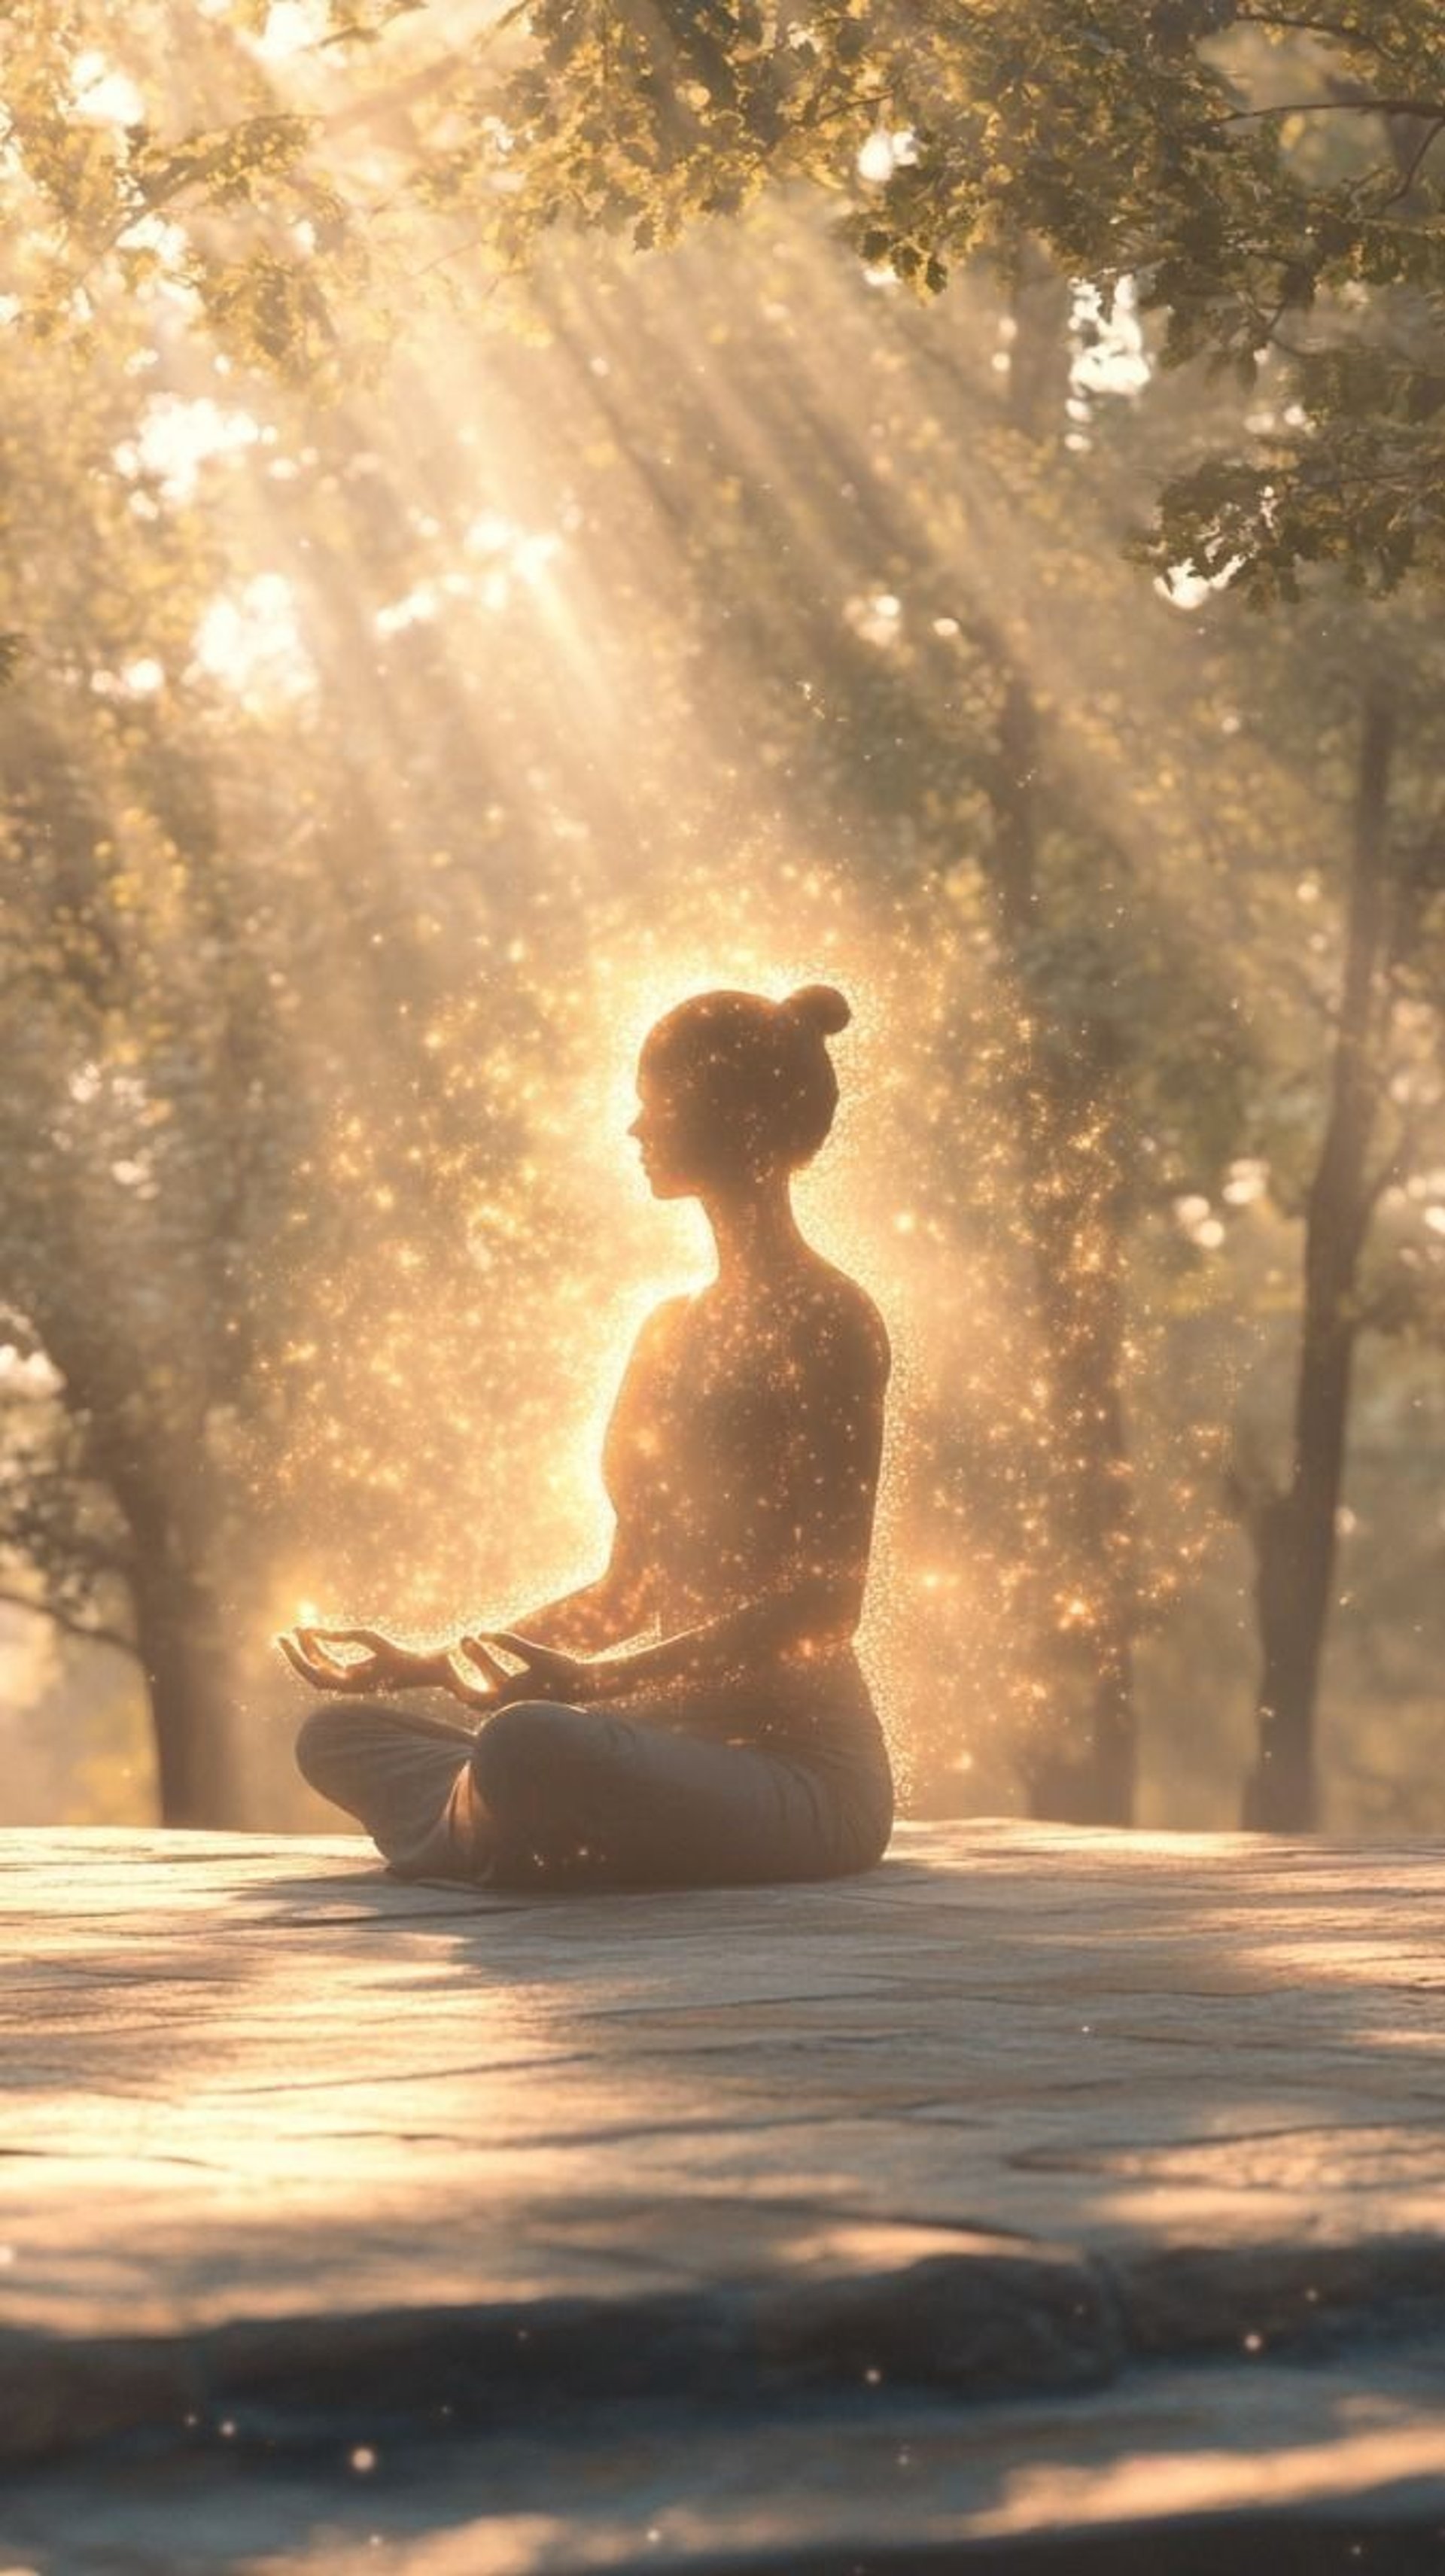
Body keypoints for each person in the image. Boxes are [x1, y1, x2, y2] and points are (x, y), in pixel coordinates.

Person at [281, 982, 894, 1890]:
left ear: (737, 1117)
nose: (635, 1128)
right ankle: (528, 1832)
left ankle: (511, 1827)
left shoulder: (832, 1320)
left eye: (658, 1102)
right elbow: (626, 1589)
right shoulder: (668, 1330)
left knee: (528, 1746)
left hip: (799, 1779)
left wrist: (596, 1688)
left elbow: (823, 1608)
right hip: (658, 1748)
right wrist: (429, 1661)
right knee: (338, 1734)